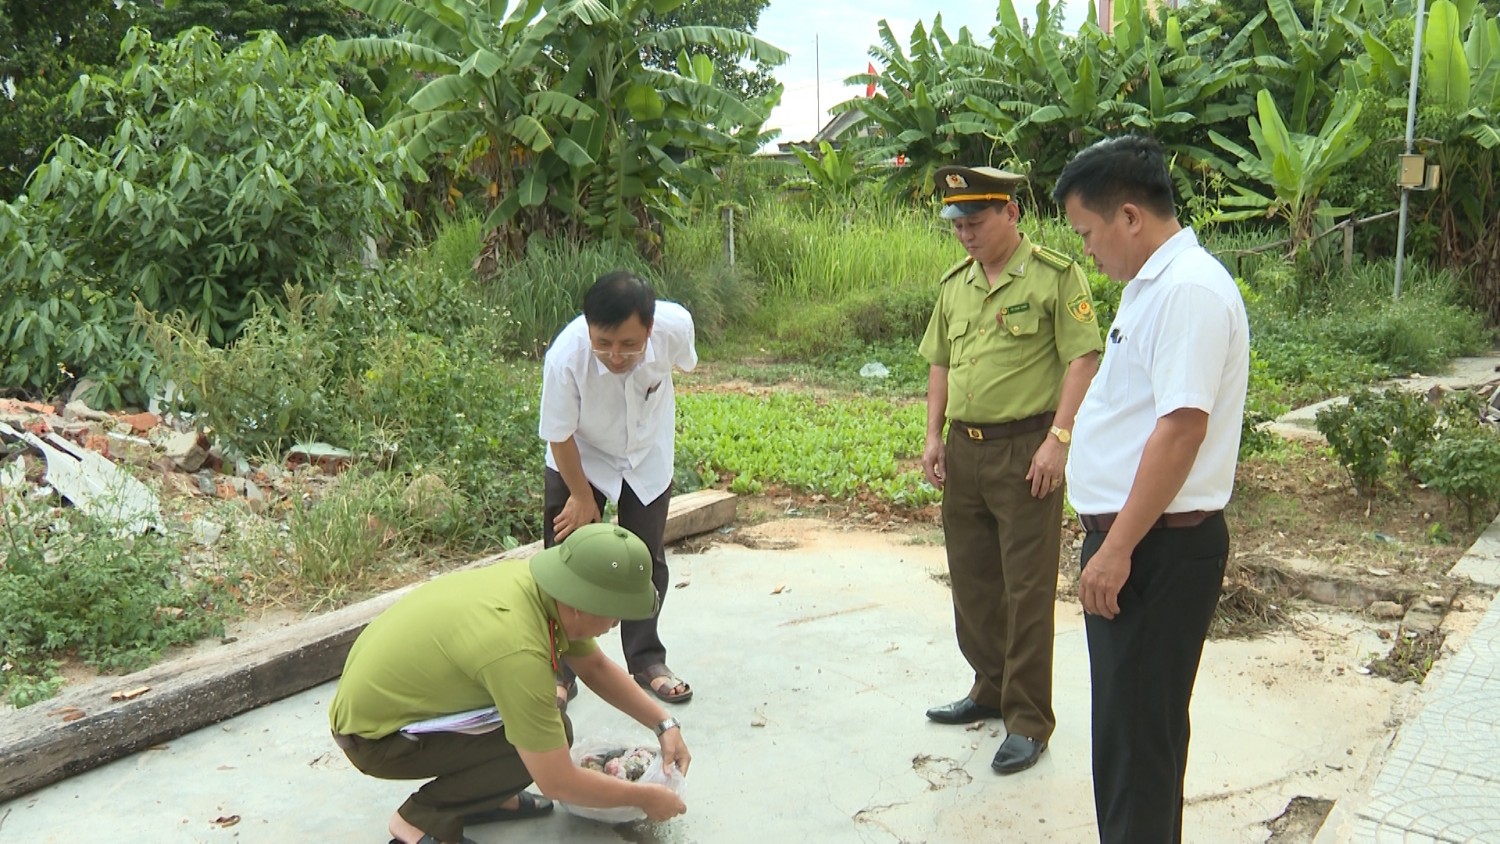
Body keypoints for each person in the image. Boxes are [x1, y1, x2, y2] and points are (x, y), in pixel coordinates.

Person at [1052, 135, 1250, 843]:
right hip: (1140, 542)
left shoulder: (1188, 291)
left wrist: (1115, 550)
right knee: (1134, 742)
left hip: (1153, 551)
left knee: (1138, 748)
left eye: (1087, 232)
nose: (1088, 251)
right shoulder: (1153, 289)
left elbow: (1180, 429)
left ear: (1130, 216)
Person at [328, 523, 692, 844]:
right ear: (583, 605)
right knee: (547, 740)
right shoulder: (518, 649)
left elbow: (593, 666)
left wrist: (664, 724)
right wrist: (643, 797)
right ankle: (419, 820)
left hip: (388, 705)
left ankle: (485, 794)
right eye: (615, 614)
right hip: (375, 740)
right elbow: (558, 782)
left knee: (545, 729)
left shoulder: (547, 592)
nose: (615, 624)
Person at [918, 165, 1103, 775]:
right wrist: (932, 436)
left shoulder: (1054, 275)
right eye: (957, 225)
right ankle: (988, 688)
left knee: (1026, 590)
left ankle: (1027, 720)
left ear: (1011, 214)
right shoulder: (955, 285)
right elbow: (940, 363)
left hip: (1028, 450)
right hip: (964, 450)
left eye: (975, 222)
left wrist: (1059, 439)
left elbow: (1083, 357)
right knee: (972, 582)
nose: (965, 235)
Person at [539, 270, 698, 708]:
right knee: (565, 561)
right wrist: (582, 496)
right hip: (580, 456)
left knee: (645, 560)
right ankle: (559, 668)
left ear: (650, 328)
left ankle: (647, 659)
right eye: (604, 343)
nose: (615, 355)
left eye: (630, 345)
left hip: (646, 454)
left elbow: (683, 365)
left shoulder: (674, 328)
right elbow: (558, 433)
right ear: (588, 326)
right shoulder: (566, 356)